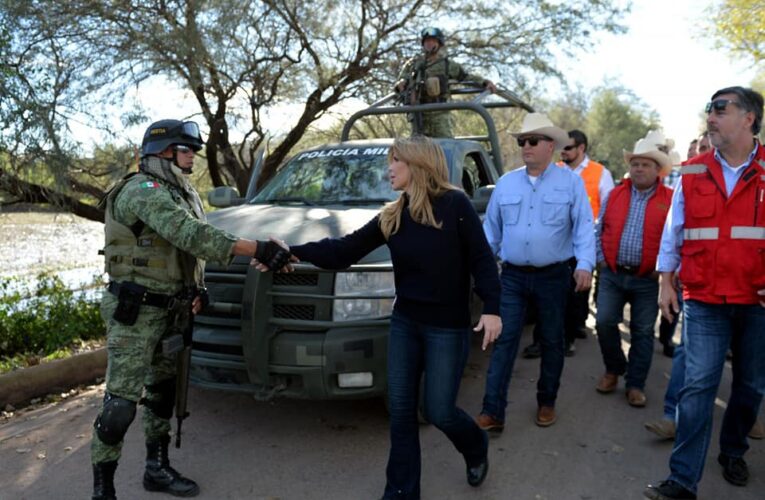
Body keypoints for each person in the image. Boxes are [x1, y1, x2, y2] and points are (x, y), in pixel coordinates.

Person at [281, 136, 502, 499]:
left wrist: (492, 308)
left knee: (439, 411)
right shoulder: (393, 214)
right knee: (400, 412)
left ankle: (475, 445)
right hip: (405, 323)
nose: (389, 168)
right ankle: (401, 491)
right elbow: (342, 250)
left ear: (417, 164)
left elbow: (482, 260)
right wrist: (292, 252)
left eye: (395, 160)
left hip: (446, 328)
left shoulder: (455, 205)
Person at [91, 119, 291, 500]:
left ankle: (157, 468)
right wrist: (257, 248)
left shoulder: (182, 193)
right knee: (119, 406)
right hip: (136, 313)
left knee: (162, 394)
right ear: (163, 153)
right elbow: (190, 234)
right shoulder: (142, 190)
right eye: (187, 151)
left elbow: (184, 252)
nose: (193, 159)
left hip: (173, 309)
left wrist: (199, 289)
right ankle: (103, 490)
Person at [644, 86, 765, 500]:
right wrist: (665, 281)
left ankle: (732, 450)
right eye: (708, 111)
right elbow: (672, 231)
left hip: (758, 304)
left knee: (750, 387)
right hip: (704, 299)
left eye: (719, 110)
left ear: (748, 118)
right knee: (696, 388)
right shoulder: (693, 171)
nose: (710, 118)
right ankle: (681, 481)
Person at [476, 113, 595, 431]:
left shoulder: (570, 182)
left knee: (553, 341)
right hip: (512, 276)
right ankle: (493, 411)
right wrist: (481, 269)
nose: (525, 146)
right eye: (521, 141)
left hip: (554, 275)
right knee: (505, 340)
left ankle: (546, 401)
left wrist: (584, 264)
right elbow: (491, 233)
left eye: (532, 141)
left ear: (550, 146)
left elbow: (584, 227)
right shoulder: (506, 183)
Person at [593, 137, 673, 407]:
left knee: (641, 331)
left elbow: (676, 239)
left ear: (657, 170)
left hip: (648, 280)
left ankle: (635, 384)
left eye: (645, 165)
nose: (639, 169)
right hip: (613, 275)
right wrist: (601, 259)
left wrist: (664, 273)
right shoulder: (615, 194)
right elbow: (599, 228)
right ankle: (614, 369)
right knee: (604, 321)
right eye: (635, 164)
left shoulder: (670, 200)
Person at [522, 129, 613, 359]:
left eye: (568, 148)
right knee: (544, 297)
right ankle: (540, 341)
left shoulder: (600, 173)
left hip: (581, 244)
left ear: (581, 148)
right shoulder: (555, 172)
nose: (563, 152)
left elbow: (608, 210)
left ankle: (567, 339)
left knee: (572, 296)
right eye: (561, 148)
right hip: (555, 244)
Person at [395, 27, 497, 138]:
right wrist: (401, 84)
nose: (429, 43)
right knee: (418, 147)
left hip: (439, 113)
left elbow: (466, 76)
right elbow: (400, 82)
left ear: (439, 43)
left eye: (433, 40)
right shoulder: (413, 64)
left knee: (445, 146)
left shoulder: (447, 64)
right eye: (427, 41)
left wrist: (484, 82)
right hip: (418, 111)